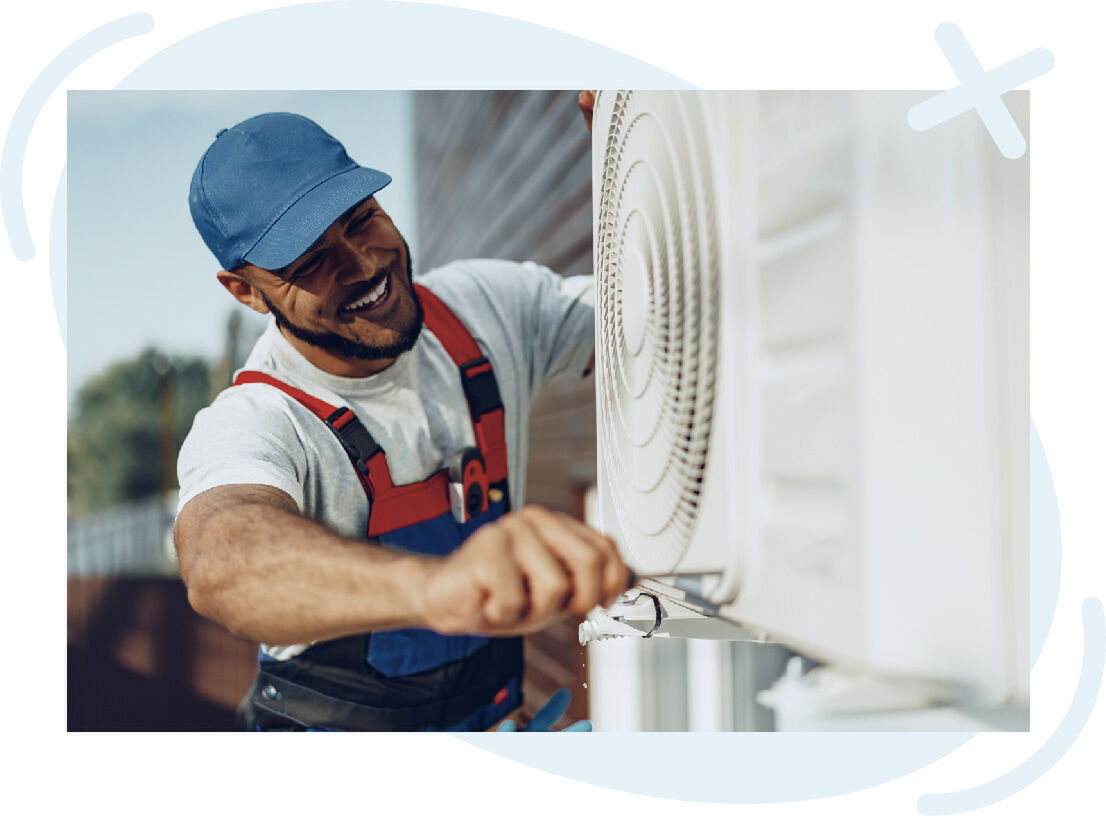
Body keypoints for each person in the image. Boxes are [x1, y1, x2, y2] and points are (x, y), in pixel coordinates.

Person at [174, 100, 629, 731]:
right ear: (246, 291)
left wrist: (629, 157)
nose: (361, 264)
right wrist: (438, 589)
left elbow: (659, 315)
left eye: (361, 220)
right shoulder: (259, 420)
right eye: (308, 262)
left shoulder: (485, 309)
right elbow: (222, 562)